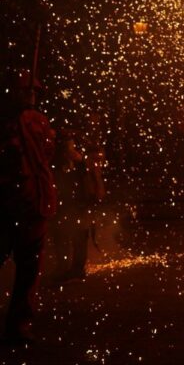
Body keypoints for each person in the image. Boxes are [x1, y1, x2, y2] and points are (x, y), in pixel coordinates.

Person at [0, 70, 56, 346]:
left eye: (34, 91)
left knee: (29, 272)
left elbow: (46, 154)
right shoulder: (8, 122)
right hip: (7, 204)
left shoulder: (38, 121)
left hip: (34, 203)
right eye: (26, 91)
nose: (31, 96)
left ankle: (19, 325)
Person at [51, 124, 105, 283]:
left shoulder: (82, 160)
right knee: (61, 234)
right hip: (66, 202)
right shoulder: (59, 159)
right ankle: (64, 266)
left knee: (79, 235)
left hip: (80, 202)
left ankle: (76, 269)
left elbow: (91, 179)